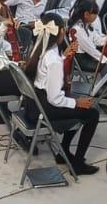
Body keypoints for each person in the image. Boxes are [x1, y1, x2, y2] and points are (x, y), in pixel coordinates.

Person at [25, 20, 101, 175]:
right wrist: (76, 102)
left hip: (34, 103)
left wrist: (64, 57)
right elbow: (55, 99)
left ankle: (64, 151)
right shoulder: (53, 59)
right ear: (60, 31)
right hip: (46, 107)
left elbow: (47, 73)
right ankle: (77, 164)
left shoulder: (40, 47)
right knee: (92, 113)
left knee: (76, 103)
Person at [68, 0, 107, 73]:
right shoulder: (78, 30)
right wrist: (105, 60)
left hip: (88, 56)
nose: (96, 16)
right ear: (86, 14)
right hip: (82, 61)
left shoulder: (87, 25)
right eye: (95, 14)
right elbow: (90, 49)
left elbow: (98, 40)